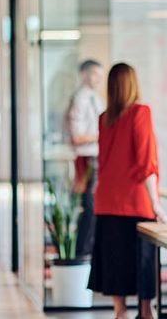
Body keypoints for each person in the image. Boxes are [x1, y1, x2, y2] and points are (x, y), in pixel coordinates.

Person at [88, 63, 167, 319]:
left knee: (114, 261)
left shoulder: (104, 118)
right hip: (135, 202)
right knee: (143, 261)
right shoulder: (140, 112)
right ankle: (146, 311)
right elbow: (146, 164)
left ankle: (120, 312)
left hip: (107, 201)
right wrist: (156, 204)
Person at [66, 59, 105, 256]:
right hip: (86, 158)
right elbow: (77, 137)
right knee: (89, 207)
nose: (98, 79)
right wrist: (103, 135)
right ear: (84, 74)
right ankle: (82, 251)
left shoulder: (94, 98)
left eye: (99, 74)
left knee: (93, 208)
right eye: (94, 74)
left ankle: (87, 249)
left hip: (95, 156)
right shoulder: (81, 99)